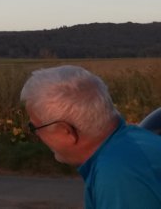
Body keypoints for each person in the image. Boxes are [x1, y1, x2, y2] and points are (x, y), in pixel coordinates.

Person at [20, 65, 161, 208]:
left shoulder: (117, 175)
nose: (37, 134)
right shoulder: (135, 142)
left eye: (35, 127)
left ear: (66, 131)